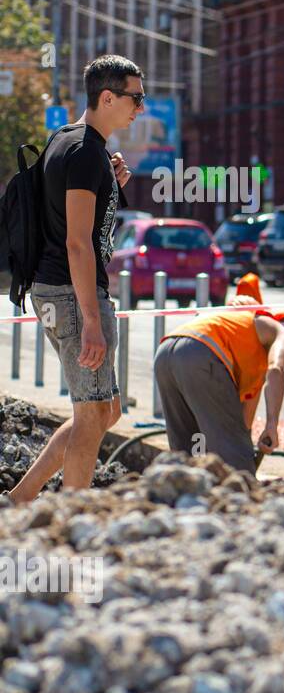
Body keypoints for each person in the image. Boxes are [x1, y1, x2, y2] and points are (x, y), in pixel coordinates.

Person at [8, 56, 142, 503]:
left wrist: (111, 183)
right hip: (71, 292)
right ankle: (70, 518)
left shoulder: (69, 143)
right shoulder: (86, 153)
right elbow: (78, 244)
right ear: (107, 97)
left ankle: (23, 499)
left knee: (107, 410)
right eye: (134, 98)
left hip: (55, 289)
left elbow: (73, 222)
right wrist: (90, 320)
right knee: (91, 415)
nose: (140, 108)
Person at [152, 303, 284, 473]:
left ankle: (183, 492)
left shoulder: (246, 339)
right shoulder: (281, 335)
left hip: (165, 355)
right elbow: (276, 368)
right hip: (201, 354)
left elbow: (241, 426)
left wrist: (245, 445)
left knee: (187, 452)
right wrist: (271, 426)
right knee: (237, 464)